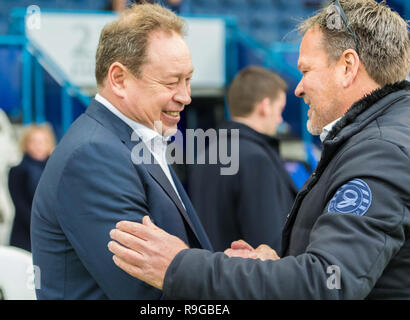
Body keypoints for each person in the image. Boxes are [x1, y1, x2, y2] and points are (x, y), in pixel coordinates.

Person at [108, 0, 410, 299]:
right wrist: (280, 264)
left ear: (348, 67)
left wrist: (179, 267)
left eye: (305, 70)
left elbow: (324, 284)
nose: (299, 87)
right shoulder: (376, 139)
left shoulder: (381, 151)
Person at [31, 3, 212, 300]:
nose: (185, 96)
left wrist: (229, 267)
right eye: (171, 82)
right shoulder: (93, 156)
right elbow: (147, 296)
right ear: (119, 79)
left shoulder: (131, 140)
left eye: (188, 80)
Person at [188, 66, 297, 253]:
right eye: (280, 109)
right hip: (246, 278)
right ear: (264, 106)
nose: (280, 120)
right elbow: (269, 244)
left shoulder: (208, 153)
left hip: (209, 274)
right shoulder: (256, 159)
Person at [8, 124, 55, 252]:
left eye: (42, 142)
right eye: (34, 142)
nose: (38, 146)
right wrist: (43, 228)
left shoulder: (55, 171)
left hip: (52, 235)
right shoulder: (17, 171)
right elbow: (21, 205)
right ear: (26, 144)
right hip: (25, 235)